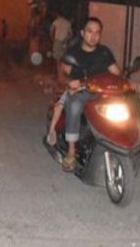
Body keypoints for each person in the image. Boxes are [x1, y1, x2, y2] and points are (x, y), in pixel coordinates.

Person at [45, 17, 121, 172]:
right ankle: (71, 151)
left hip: (102, 93)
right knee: (74, 104)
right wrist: (69, 82)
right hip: (81, 92)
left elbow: (116, 73)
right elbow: (62, 75)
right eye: (89, 31)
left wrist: (127, 81)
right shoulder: (73, 53)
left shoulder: (104, 52)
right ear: (82, 33)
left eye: (97, 32)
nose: (93, 36)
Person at [49, 12, 73, 82]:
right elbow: (71, 34)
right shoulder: (68, 23)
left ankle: (59, 77)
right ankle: (62, 76)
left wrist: (52, 39)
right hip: (64, 42)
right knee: (63, 59)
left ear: (58, 15)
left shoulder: (56, 21)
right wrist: (66, 39)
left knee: (57, 60)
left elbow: (51, 31)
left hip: (57, 41)